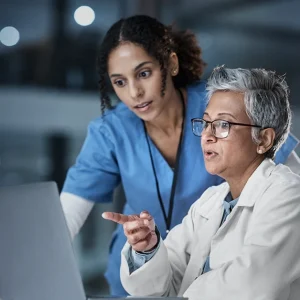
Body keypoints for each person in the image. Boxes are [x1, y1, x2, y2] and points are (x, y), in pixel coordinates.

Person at [60, 15, 300, 296]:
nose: (135, 92)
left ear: (171, 64)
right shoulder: (209, 201)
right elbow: (64, 220)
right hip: (156, 270)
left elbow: (283, 180)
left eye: (144, 73)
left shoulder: (219, 103)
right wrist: (147, 247)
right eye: (119, 82)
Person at [103, 67, 300, 300]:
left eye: (223, 125)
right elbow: (163, 284)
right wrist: (147, 250)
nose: (207, 135)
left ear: (264, 139)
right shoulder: (211, 201)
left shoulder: (289, 195)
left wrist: (185, 293)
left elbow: (254, 283)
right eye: (206, 123)